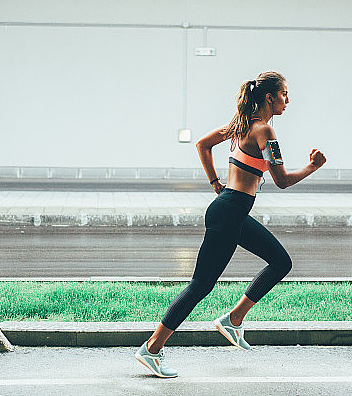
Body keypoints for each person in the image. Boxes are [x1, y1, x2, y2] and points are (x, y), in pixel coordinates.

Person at [135, 71, 327, 378]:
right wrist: (313, 167)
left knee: (280, 262)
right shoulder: (264, 132)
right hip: (229, 213)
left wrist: (215, 182)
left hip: (231, 211)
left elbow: (202, 144)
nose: (287, 100)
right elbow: (282, 181)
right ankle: (152, 349)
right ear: (269, 97)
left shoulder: (240, 126)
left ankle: (234, 319)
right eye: (284, 95)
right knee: (201, 285)